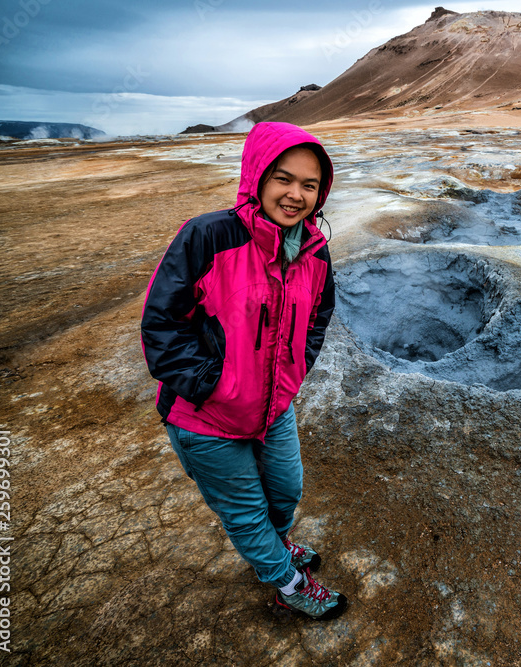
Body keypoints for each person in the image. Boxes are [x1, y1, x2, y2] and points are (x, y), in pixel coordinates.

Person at [140, 121, 346, 620]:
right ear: (257, 176)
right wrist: (215, 386)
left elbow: (318, 315)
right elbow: (162, 325)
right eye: (283, 178)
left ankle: (277, 549)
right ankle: (285, 580)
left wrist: (293, 370)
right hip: (204, 416)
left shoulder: (314, 250)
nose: (295, 194)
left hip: (273, 404)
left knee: (285, 491)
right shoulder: (208, 236)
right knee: (247, 512)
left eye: (309, 184)